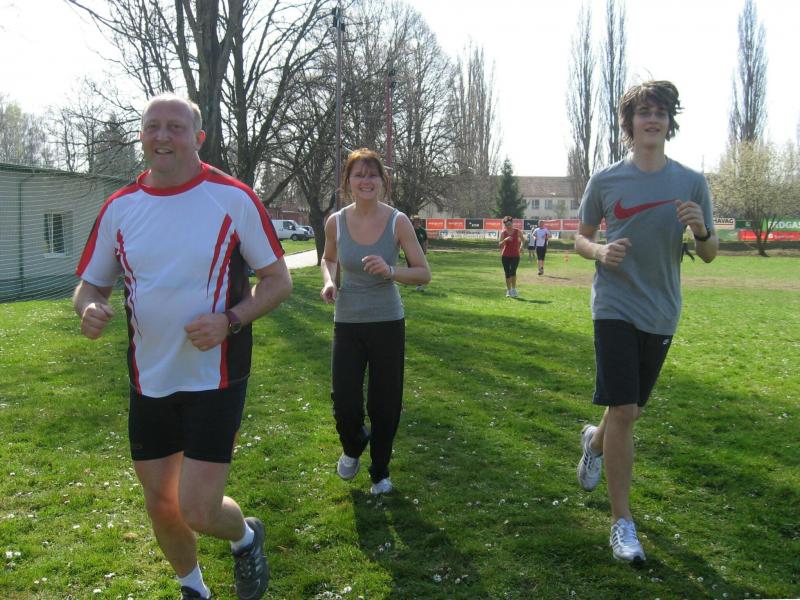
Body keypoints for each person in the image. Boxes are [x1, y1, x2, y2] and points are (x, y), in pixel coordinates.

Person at [73, 93, 292, 600]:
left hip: (215, 376)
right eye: (153, 126)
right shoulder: (120, 207)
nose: (163, 136)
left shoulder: (232, 198)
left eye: (175, 127)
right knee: (161, 504)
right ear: (142, 136)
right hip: (149, 378)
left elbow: (278, 281)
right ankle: (193, 588)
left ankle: (245, 537)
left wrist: (231, 319)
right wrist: (88, 307)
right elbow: (90, 285)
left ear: (198, 138)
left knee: (197, 508)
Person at [574, 80, 718, 565]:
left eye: (660, 112)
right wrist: (599, 251)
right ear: (630, 124)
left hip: (661, 310)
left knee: (627, 413)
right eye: (643, 112)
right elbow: (580, 238)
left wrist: (700, 229)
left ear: (669, 122)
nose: (652, 119)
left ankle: (594, 443)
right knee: (623, 409)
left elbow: (709, 253)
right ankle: (622, 524)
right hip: (613, 305)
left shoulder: (691, 182)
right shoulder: (606, 180)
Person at [320, 148, 430, 496]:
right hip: (347, 321)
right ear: (348, 182)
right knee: (345, 400)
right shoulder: (336, 222)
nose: (365, 181)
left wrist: (391, 270)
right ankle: (353, 444)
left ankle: (380, 472)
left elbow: (423, 273)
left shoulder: (398, 221)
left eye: (372, 175)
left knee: (384, 403)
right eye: (359, 175)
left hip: (387, 322)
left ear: (383, 181)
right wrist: (329, 281)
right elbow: (328, 258)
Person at [499, 216, 523, 297]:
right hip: (505, 256)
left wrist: (521, 246)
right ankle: (508, 291)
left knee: (513, 271)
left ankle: (514, 289)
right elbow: (500, 245)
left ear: (512, 223)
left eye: (509, 224)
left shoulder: (517, 231)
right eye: (506, 225)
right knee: (507, 273)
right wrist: (505, 240)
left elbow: (523, 240)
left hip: (515, 255)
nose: (508, 226)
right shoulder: (503, 233)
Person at [411, 216, 429, 291]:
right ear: (413, 222)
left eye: (419, 222)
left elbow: (425, 241)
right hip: (412, 252)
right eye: (416, 222)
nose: (417, 223)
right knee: (412, 268)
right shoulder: (410, 230)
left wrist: (425, 250)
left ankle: (420, 284)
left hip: (421, 252)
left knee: (420, 268)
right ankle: (416, 282)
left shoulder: (422, 231)